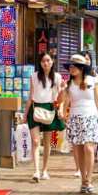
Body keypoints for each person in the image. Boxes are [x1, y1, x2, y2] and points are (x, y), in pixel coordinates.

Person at [62, 54, 98, 195]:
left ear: (81, 68)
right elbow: (66, 101)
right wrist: (63, 113)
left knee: (89, 148)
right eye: (70, 66)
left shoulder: (93, 80)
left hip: (91, 117)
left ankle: (88, 181)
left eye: (74, 66)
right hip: (75, 119)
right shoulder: (68, 84)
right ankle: (83, 181)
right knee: (78, 151)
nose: (71, 69)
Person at [24, 53, 66, 182]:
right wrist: (25, 114)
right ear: (40, 63)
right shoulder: (34, 76)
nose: (45, 63)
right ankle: (36, 171)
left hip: (49, 108)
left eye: (48, 60)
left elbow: (61, 98)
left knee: (47, 142)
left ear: (52, 62)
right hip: (35, 108)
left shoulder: (57, 77)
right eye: (43, 61)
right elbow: (31, 95)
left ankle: (45, 170)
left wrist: (61, 106)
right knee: (36, 141)